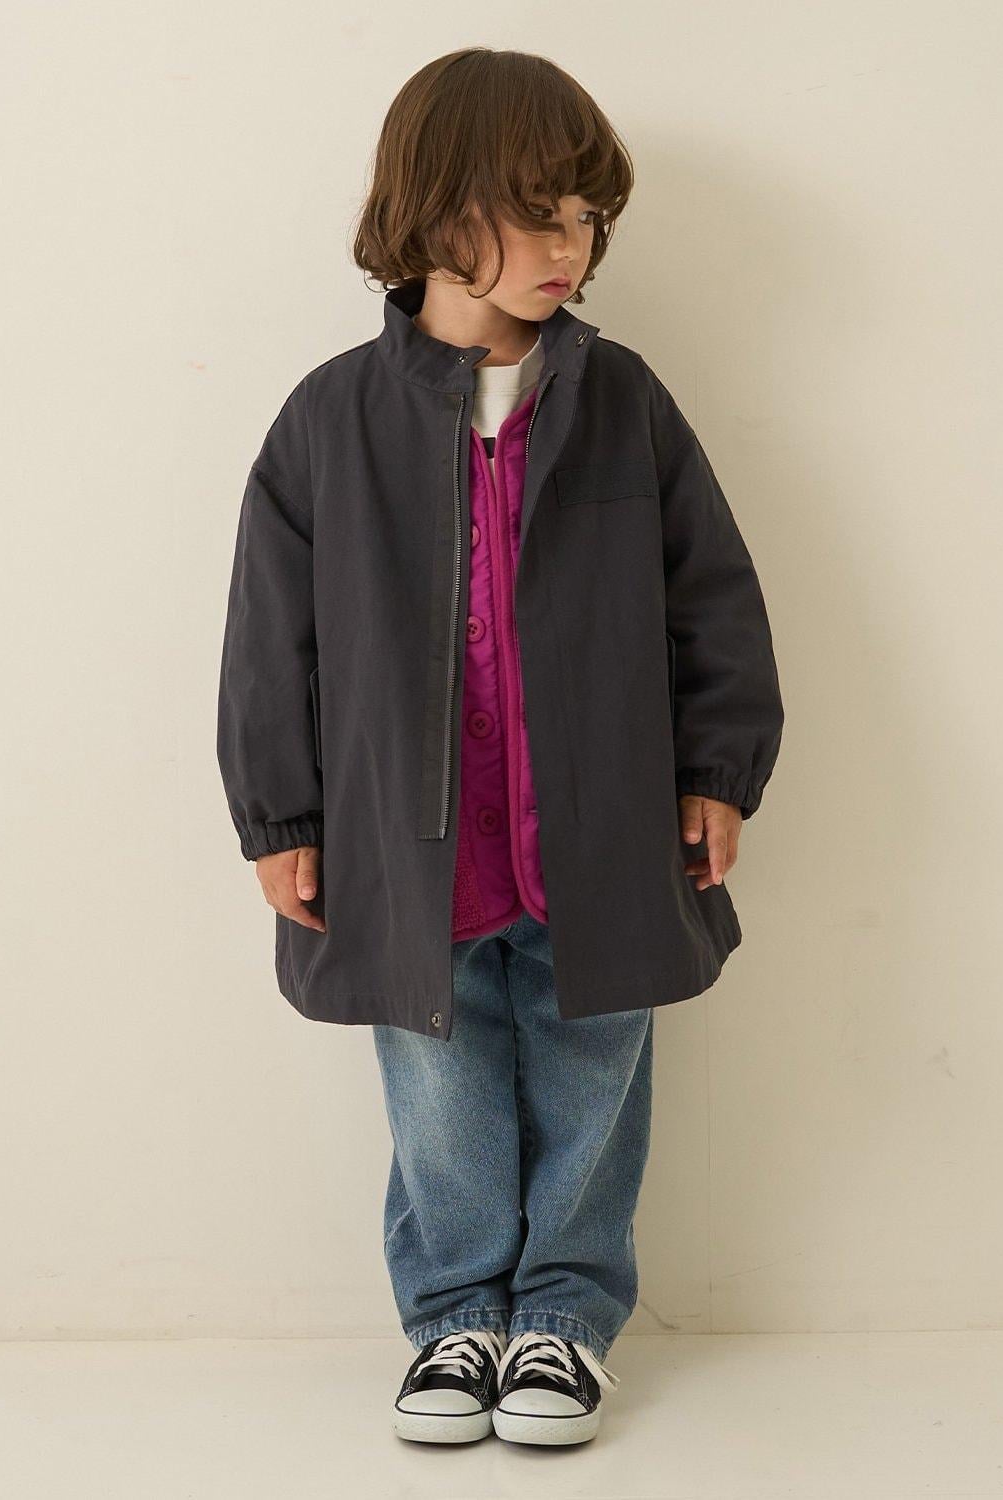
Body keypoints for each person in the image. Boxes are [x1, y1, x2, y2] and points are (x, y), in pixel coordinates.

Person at [216, 48, 783, 1447]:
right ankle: (457, 1317)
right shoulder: (331, 419)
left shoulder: (623, 403)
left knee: (595, 1073)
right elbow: (270, 635)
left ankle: (566, 1321)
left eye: (586, 217)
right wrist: (281, 816)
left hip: (604, 827)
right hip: (407, 840)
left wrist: (717, 773)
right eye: (538, 213)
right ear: (434, 209)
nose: (569, 246)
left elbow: (714, 594)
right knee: (440, 1085)